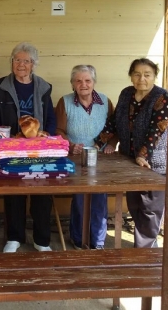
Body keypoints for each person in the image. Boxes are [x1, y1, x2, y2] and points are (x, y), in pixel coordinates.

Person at [0, 42, 57, 253]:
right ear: (12, 62)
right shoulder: (1, 88)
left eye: (26, 61)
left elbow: (51, 119)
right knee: (13, 193)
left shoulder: (43, 88)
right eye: (17, 60)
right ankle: (14, 238)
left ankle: (41, 240)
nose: (21, 64)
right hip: (11, 148)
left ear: (33, 64)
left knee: (42, 193)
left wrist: (47, 142)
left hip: (39, 148)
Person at [94, 58, 168, 248]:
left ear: (154, 76)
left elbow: (157, 130)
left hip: (153, 162)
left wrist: (143, 155)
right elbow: (114, 121)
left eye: (147, 74)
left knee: (150, 207)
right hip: (129, 159)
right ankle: (145, 246)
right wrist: (98, 144)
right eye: (137, 74)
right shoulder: (126, 94)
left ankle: (145, 251)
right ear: (131, 75)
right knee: (135, 204)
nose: (141, 78)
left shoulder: (162, 97)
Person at [55, 65, 114, 249]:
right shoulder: (64, 102)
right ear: (72, 83)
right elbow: (58, 130)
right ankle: (79, 239)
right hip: (76, 158)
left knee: (99, 199)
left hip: (101, 158)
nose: (83, 84)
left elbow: (114, 128)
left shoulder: (105, 101)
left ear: (94, 82)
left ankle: (97, 241)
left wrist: (110, 144)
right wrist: (71, 145)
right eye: (78, 81)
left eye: (87, 80)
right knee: (80, 198)